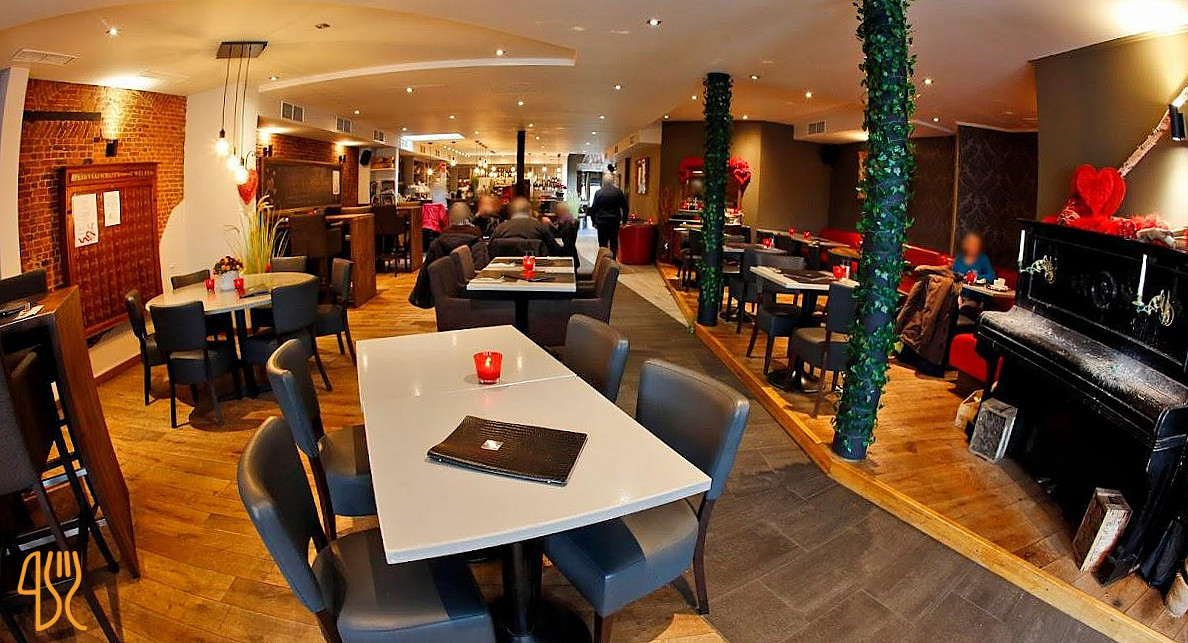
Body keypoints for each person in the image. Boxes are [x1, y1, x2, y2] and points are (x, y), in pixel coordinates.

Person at [408, 204, 482, 308]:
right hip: (473, 297)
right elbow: (482, 270)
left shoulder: (438, 242)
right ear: (469, 217)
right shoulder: (477, 241)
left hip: (444, 292)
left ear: (449, 218)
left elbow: (425, 273)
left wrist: (417, 295)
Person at [490, 197, 561, 255]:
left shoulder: (500, 228)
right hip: (535, 266)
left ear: (511, 212)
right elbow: (555, 250)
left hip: (503, 267)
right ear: (530, 211)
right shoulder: (539, 227)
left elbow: (490, 250)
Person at [588, 172, 629, 258]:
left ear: (603, 182)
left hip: (602, 222)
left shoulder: (599, 193)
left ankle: (604, 260)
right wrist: (624, 221)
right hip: (614, 221)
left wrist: (594, 222)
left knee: (603, 244)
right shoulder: (618, 192)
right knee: (614, 243)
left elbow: (593, 209)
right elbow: (625, 207)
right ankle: (612, 261)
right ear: (612, 181)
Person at [551, 202, 580, 268]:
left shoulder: (565, 217)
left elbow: (558, 230)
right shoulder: (567, 215)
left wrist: (550, 223)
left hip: (566, 249)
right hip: (571, 249)